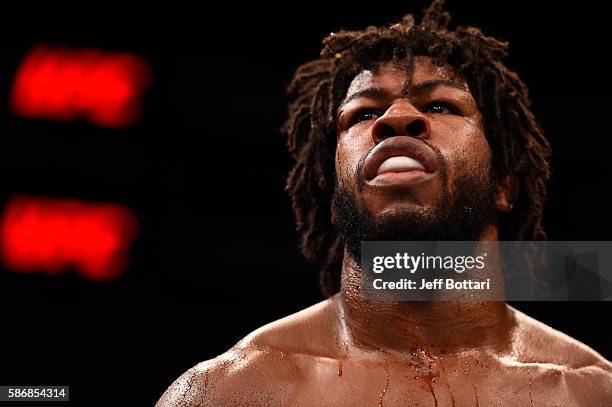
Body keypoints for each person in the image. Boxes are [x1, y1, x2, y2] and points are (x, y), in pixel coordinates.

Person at [157, 1, 612, 405]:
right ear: (335, 198)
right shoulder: (234, 393)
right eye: (364, 113)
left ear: (503, 185)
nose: (396, 118)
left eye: (439, 106)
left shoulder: (588, 392)